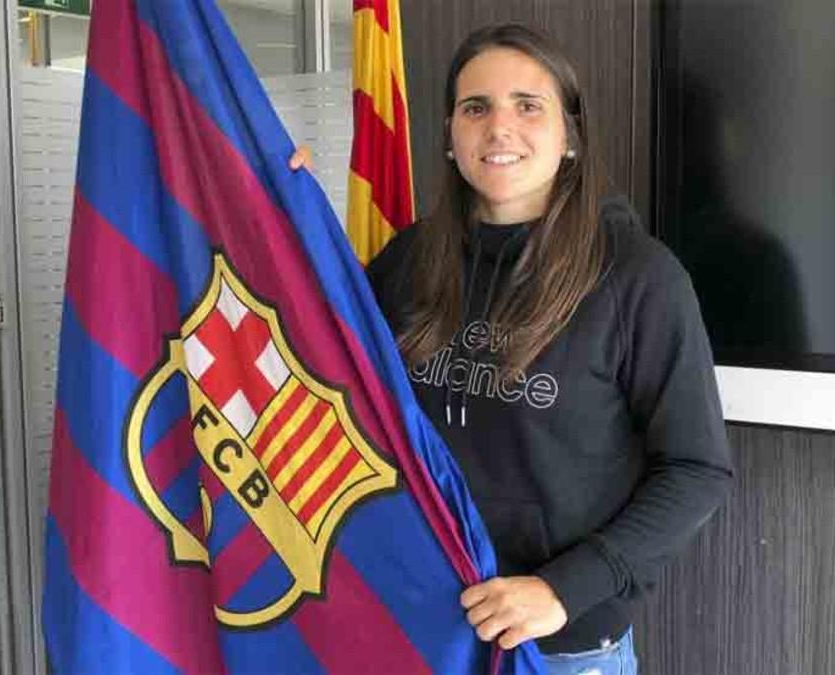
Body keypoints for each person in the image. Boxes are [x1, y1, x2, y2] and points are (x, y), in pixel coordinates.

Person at [293, 23, 732, 675]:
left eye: (528, 105)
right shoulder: (407, 262)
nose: (499, 127)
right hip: (418, 632)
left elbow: (696, 469)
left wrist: (564, 589)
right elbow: (320, 366)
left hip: (561, 652)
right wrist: (281, 211)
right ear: (449, 135)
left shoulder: (640, 277)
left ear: (571, 135)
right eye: (476, 107)